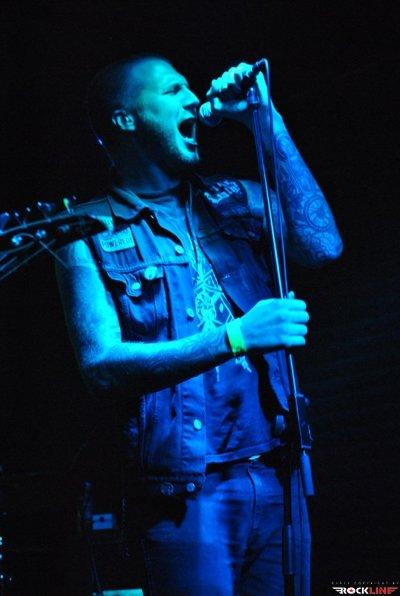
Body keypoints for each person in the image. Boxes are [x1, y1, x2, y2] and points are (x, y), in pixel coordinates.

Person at [56, 54, 343, 595]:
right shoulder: (87, 229)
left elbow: (322, 246)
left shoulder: (232, 199)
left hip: (276, 469)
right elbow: (100, 365)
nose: (193, 98)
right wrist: (235, 337)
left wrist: (266, 122)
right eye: (173, 90)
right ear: (125, 118)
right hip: (184, 491)